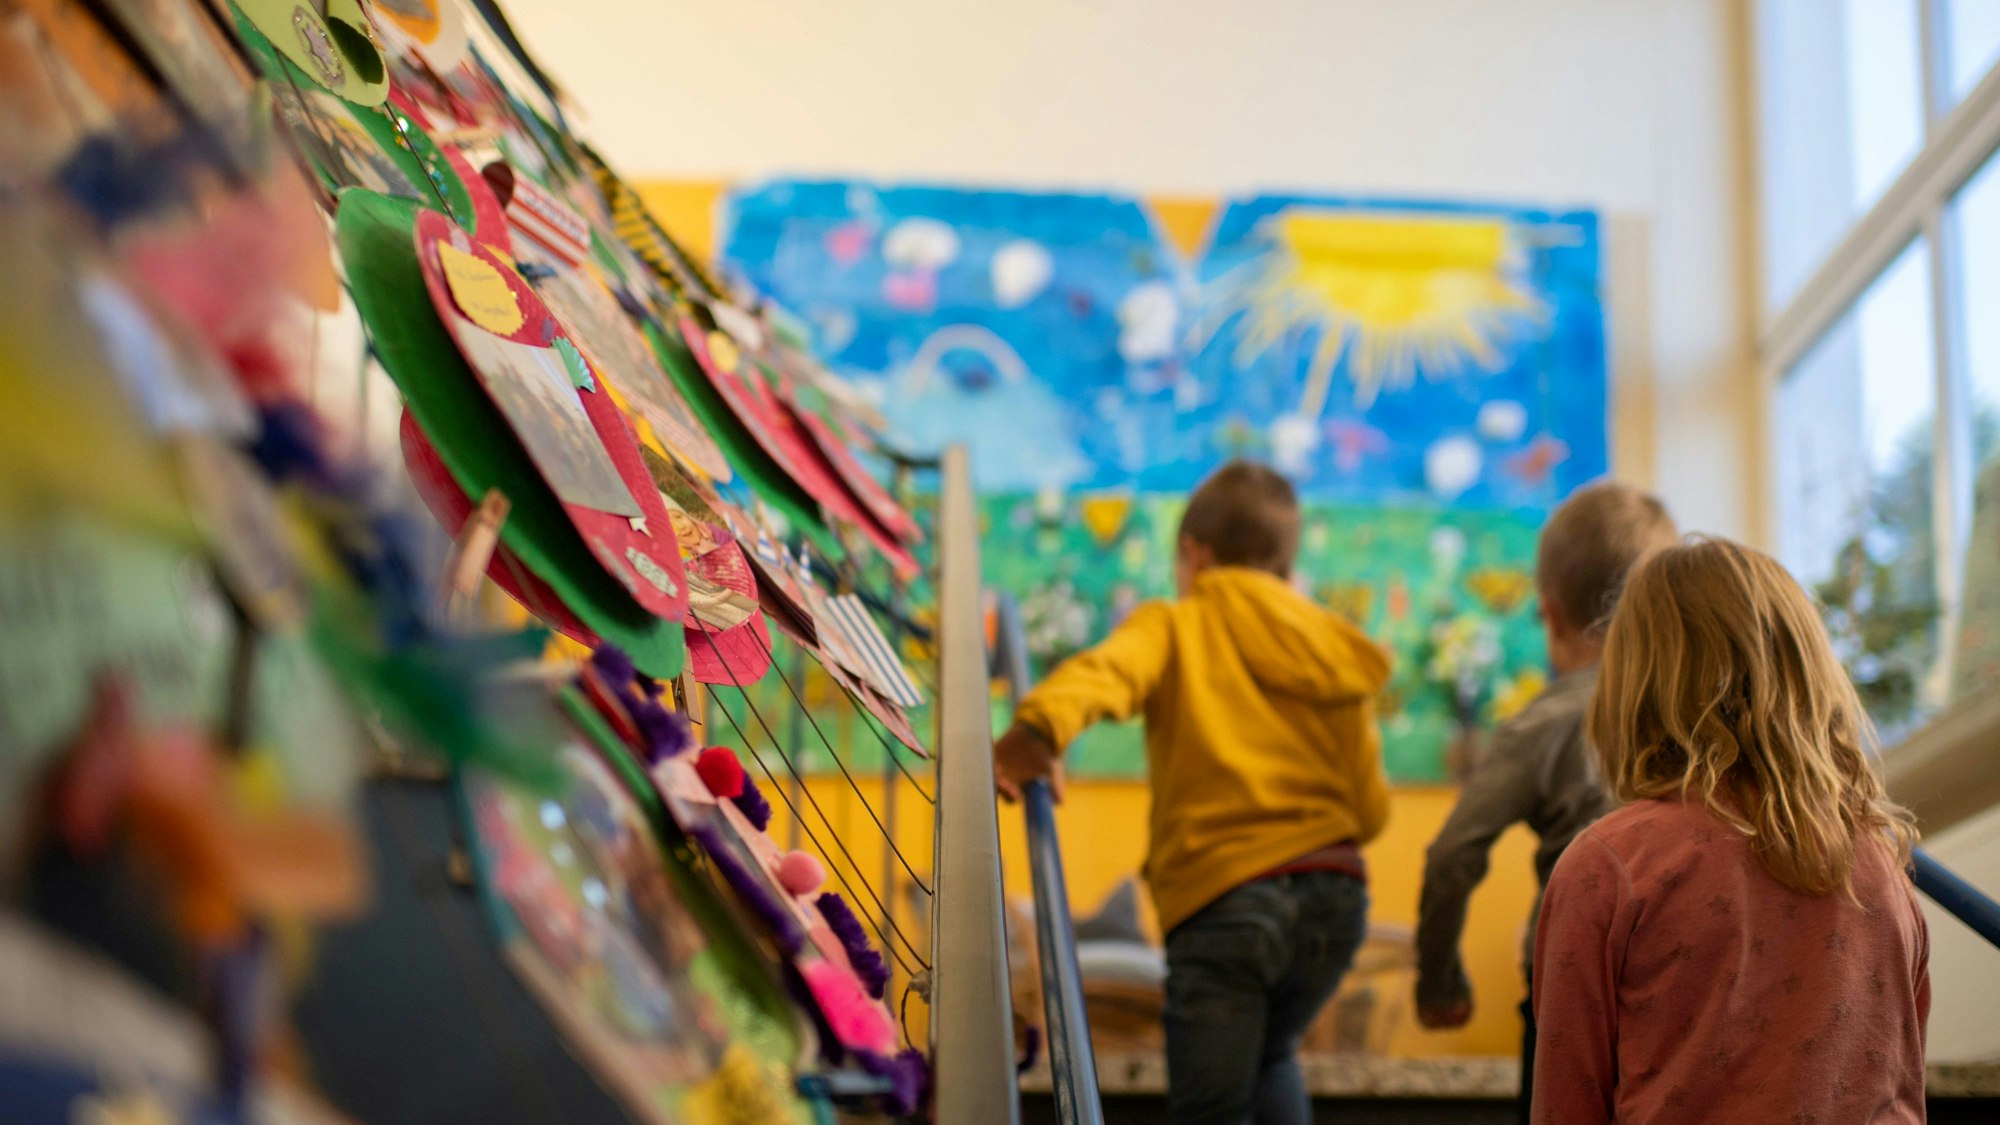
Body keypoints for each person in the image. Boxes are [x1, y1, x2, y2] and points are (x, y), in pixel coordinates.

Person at [993, 460, 1391, 1125]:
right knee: (1272, 1053)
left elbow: (1104, 673)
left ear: (1194, 555)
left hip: (1228, 901)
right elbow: (1371, 810)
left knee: (1212, 1107)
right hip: (1336, 897)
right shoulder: (1330, 646)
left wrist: (1038, 728)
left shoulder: (1178, 623)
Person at [1532, 538, 1928, 1124]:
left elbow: (1568, 1107)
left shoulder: (1609, 868)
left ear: (1633, 683)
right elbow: (1902, 1096)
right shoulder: (1884, 868)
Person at [1412, 482, 1677, 1120]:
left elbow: (1453, 853)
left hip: (1572, 985)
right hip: (1691, 972)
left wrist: (1438, 980)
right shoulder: (1696, 708)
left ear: (1550, 616)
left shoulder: (1538, 727)